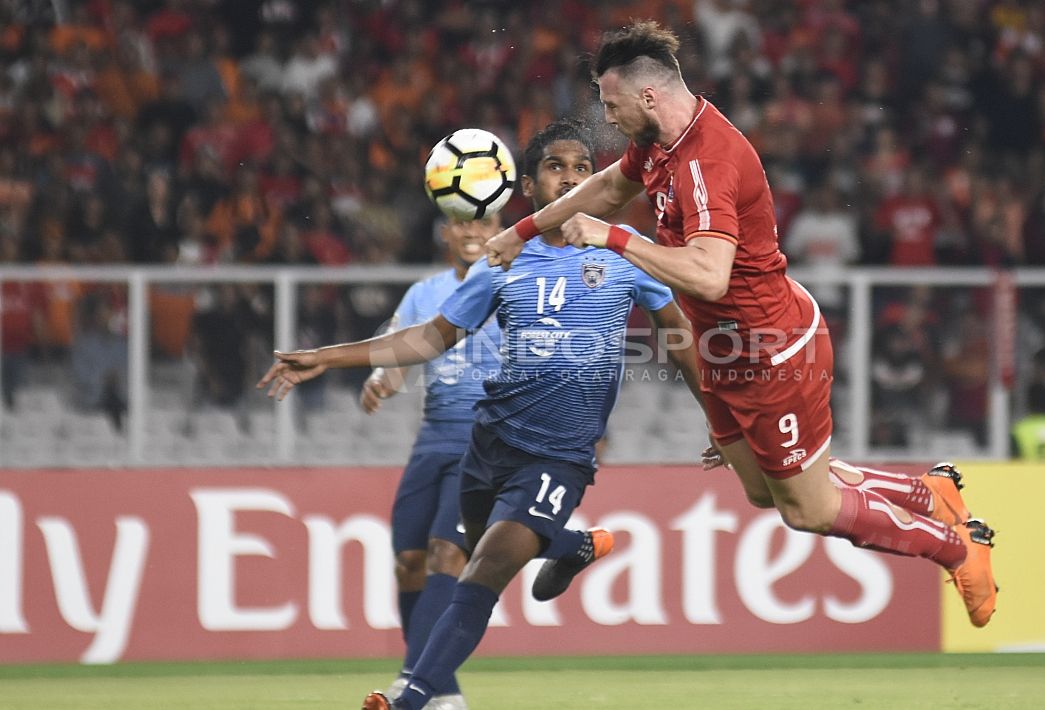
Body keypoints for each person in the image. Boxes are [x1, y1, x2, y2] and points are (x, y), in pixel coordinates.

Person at [485, 21, 997, 628]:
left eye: (610, 101)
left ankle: (959, 547)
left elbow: (708, 277)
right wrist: (522, 232)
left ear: (648, 97)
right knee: (761, 488)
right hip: (728, 352)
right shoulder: (660, 143)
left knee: (805, 509)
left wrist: (614, 238)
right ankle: (924, 494)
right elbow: (604, 189)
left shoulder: (707, 163)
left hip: (775, 351)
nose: (606, 114)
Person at [257, 119, 704, 710]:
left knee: (482, 569)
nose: (569, 178)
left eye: (580, 169)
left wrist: (720, 419)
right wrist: (325, 357)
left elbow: (679, 337)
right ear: (529, 183)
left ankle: (411, 697)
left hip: (560, 452)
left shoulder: (623, 251)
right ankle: (569, 546)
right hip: (488, 445)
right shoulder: (504, 260)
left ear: (593, 180)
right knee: (467, 556)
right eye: (555, 167)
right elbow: (428, 339)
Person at [360, 215, 505, 708]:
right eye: (462, 221)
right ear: (444, 230)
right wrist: (380, 380)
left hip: (483, 443)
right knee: (409, 563)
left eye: (484, 221)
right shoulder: (424, 292)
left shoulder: (514, 282)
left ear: (500, 227)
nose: (473, 232)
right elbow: (400, 354)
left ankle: (411, 677)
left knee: (449, 554)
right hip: (431, 441)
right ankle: (444, 691)